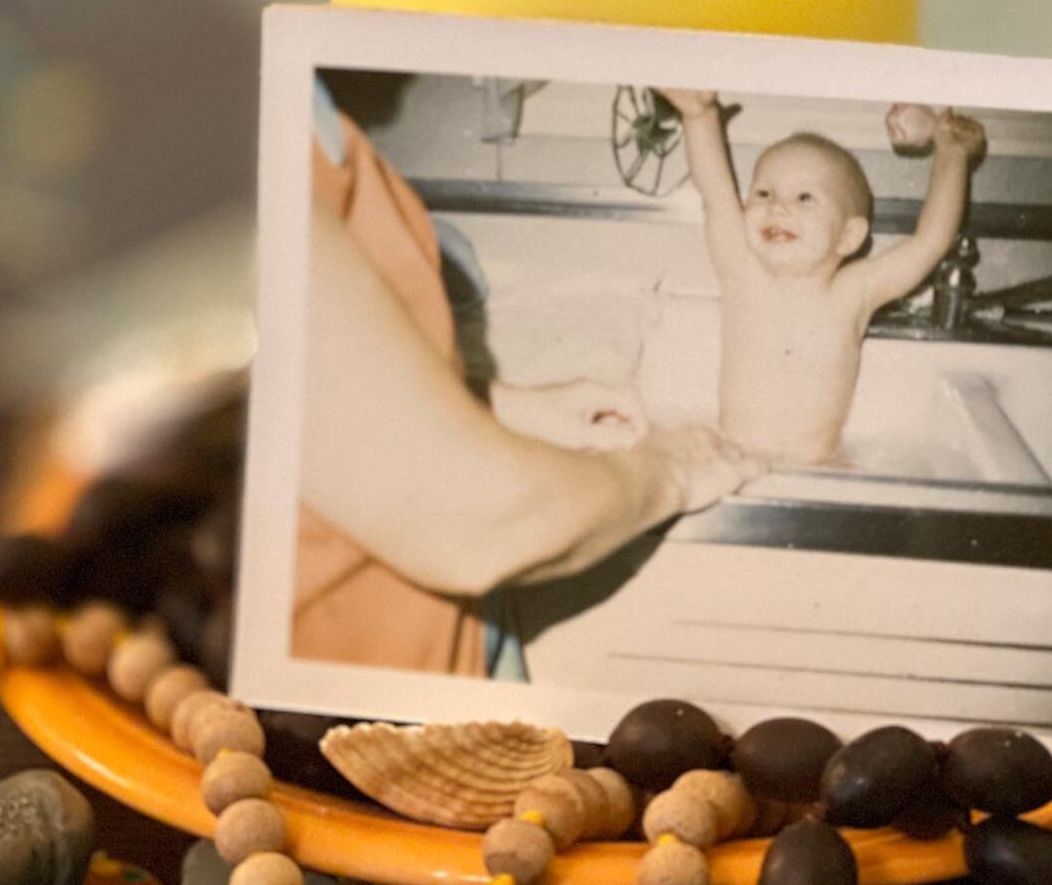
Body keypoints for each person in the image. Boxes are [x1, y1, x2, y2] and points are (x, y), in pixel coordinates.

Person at [294, 86, 764, 676]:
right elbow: (474, 515)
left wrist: (501, 408)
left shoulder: (307, 134)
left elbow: (333, 409)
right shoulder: (264, 171)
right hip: (334, 705)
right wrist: (669, 469)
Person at [657, 90, 987, 466]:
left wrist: (952, 155)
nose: (777, 206)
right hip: (735, 464)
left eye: (804, 198)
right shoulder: (743, 271)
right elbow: (716, 193)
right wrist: (699, 116)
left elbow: (930, 242)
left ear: (848, 236)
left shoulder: (852, 293)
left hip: (821, 470)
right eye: (763, 192)